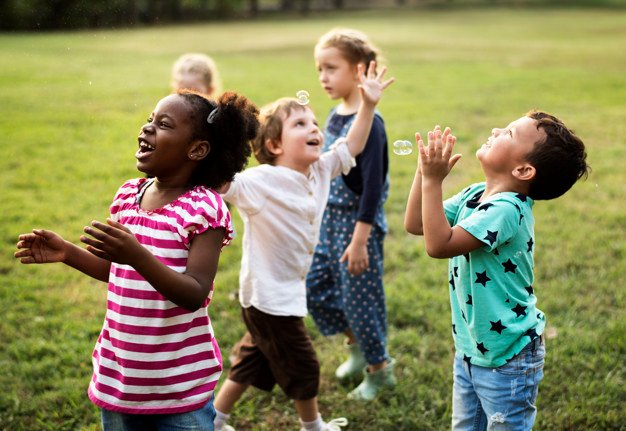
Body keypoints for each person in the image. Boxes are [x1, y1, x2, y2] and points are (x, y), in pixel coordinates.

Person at [15, 90, 259, 431]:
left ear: (197, 149)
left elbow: (194, 293)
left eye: (163, 124)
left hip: (178, 384)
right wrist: (67, 253)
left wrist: (136, 254)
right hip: (121, 378)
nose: (147, 129)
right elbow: (119, 273)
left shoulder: (205, 209)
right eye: (149, 120)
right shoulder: (129, 195)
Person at [212, 61, 394, 431]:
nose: (314, 128)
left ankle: (213, 419)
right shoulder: (260, 182)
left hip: (283, 292)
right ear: (274, 144)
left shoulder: (320, 170)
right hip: (268, 297)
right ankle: (313, 427)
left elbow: (352, 145)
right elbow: (223, 185)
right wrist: (217, 143)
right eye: (300, 125)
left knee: (252, 359)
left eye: (314, 124)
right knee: (305, 366)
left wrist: (368, 105)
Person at [404, 112, 589, 430]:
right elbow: (416, 224)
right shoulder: (475, 194)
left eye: (509, 132)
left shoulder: (507, 209)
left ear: (523, 169)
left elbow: (439, 245)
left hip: (509, 357)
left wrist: (434, 181)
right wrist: (425, 175)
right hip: (471, 350)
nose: (496, 129)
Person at [306, 28, 394, 401]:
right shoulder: (333, 112)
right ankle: (356, 348)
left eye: (331, 68)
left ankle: (379, 371)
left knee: (362, 300)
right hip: (328, 222)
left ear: (360, 70)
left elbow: (373, 187)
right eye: (319, 69)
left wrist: (360, 239)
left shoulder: (370, 123)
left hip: (358, 225)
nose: (323, 77)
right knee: (316, 289)